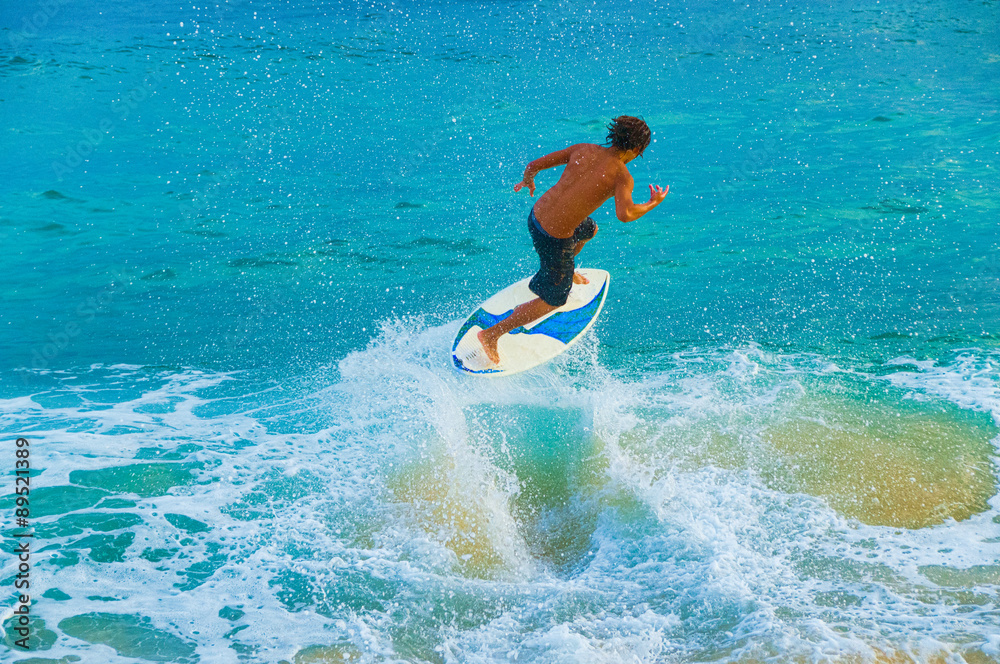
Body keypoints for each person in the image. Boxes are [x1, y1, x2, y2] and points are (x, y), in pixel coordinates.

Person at [470, 115, 669, 367]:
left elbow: (533, 165)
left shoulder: (583, 149)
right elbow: (626, 214)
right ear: (636, 149)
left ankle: (563, 269)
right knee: (554, 300)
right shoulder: (622, 176)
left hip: (535, 217)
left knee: (588, 229)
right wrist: (653, 202)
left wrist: (528, 180)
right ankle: (491, 334)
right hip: (554, 238)